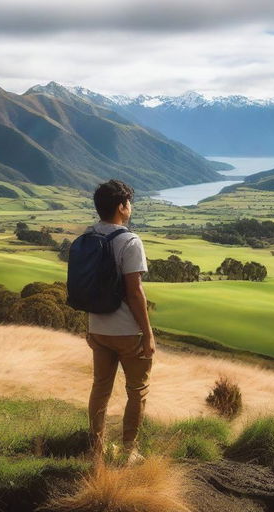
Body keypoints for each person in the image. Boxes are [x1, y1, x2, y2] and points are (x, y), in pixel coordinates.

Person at [84, 179, 155, 463]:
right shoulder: (130, 241)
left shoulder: (88, 238)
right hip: (127, 332)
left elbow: (85, 286)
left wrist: (87, 326)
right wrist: (147, 333)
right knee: (137, 391)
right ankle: (129, 452)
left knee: (100, 388)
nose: (131, 207)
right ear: (122, 207)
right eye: (129, 203)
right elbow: (135, 292)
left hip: (97, 328)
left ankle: (96, 450)